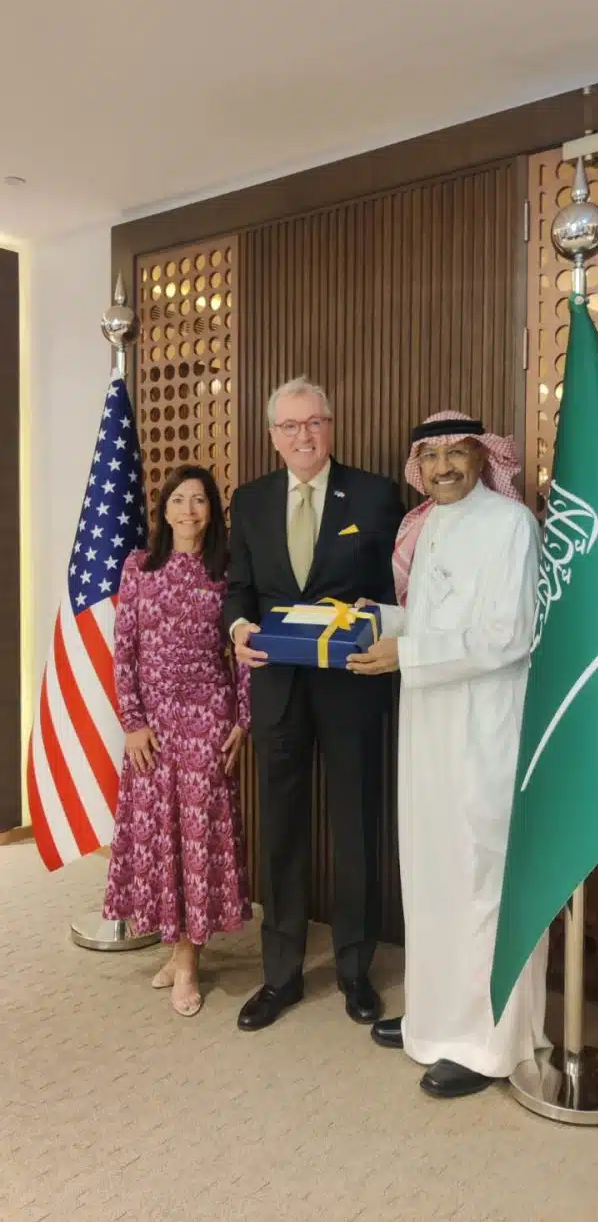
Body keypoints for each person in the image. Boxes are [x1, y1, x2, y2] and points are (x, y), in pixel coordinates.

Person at [347, 410, 548, 1098]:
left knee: (481, 878)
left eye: (455, 453)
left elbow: (509, 635)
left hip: (485, 729)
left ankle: (487, 1043)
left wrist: (406, 653)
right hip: (429, 726)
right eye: (429, 457)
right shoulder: (428, 525)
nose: (441, 468)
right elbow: (432, 620)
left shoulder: (511, 525)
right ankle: (436, 1020)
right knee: (433, 873)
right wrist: (375, 621)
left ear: (482, 457)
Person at [224, 375, 404, 1031]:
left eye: (314, 422)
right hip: (278, 688)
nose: (304, 435)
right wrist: (238, 629)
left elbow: (400, 591)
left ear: (331, 425)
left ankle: (355, 969)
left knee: (356, 828)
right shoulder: (249, 501)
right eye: (291, 426)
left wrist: (383, 623)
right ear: (273, 436)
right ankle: (281, 975)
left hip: (352, 684)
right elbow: (239, 588)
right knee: (281, 831)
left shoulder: (377, 496)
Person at [103, 465, 252, 1017]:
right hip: (152, 726)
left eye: (199, 501)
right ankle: (176, 944)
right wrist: (132, 722)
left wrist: (243, 719)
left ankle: (188, 960)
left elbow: (244, 651)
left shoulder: (227, 572)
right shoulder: (138, 567)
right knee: (159, 837)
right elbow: (125, 651)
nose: (189, 510)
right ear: (163, 510)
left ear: (212, 512)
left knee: (197, 839)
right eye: (179, 500)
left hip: (207, 719)